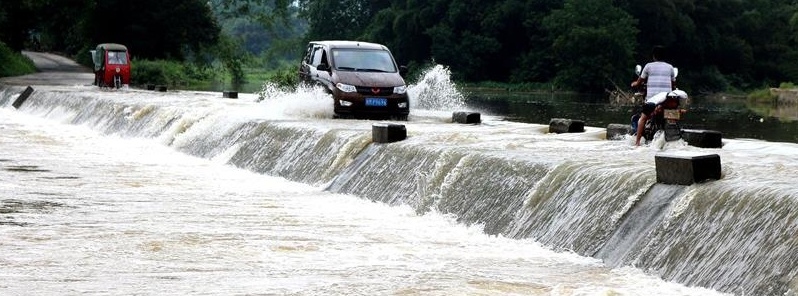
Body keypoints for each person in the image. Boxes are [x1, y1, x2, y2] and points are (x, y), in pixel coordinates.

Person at [631, 46, 676, 146]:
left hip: (652, 100)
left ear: (654, 56)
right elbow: (673, 85)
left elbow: (639, 82)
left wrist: (634, 84)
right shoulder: (670, 67)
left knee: (642, 118)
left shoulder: (648, 66)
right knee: (673, 115)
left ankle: (637, 143)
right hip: (666, 101)